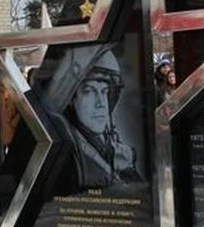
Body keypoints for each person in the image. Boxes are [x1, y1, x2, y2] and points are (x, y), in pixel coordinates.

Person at [49, 48, 142, 190]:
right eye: (89, 91)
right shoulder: (69, 152)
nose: (101, 103)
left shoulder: (106, 143)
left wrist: (126, 168)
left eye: (104, 92)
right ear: (71, 99)